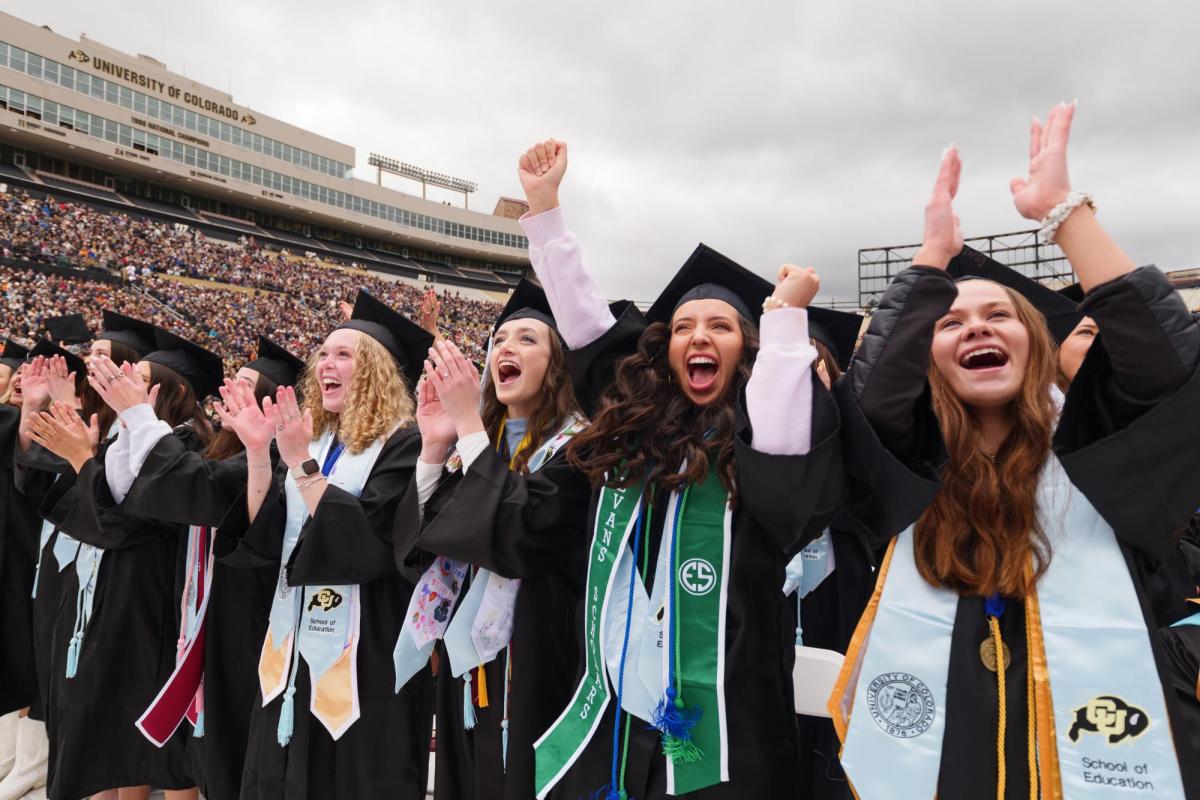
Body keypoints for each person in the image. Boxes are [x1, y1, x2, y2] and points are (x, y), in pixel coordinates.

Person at [829, 104, 1200, 798]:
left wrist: (1065, 215)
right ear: (926, 353)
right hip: (943, 745)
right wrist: (931, 258)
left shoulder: (1096, 445)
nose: (975, 327)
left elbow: (1169, 368)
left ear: (1034, 341)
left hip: (1094, 732)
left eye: (998, 315)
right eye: (949, 321)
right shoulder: (912, 457)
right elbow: (869, 399)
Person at [513, 138, 842, 799]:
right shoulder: (639, 436)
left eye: (720, 326)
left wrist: (784, 326)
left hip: (733, 711)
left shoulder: (765, 443)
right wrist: (546, 211)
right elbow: (586, 328)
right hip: (624, 703)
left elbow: (784, 432)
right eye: (685, 325)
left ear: (746, 349)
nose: (698, 336)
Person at [211, 291, 435, 799]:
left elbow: (373, 545)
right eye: (324, 353)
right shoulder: (313, 440)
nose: (325, 363)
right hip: (290, 642)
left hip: (365, 649)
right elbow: (268, 537)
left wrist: (301, 468)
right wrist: (259, 455)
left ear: (376, 371)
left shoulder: (405, 443)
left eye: (344, 354)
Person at [393, 280, 591, 800]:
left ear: (558, 365)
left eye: (528, 339)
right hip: (465, 663)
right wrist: (436, 446)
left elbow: (522, 532)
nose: (506, 347)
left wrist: (466, 423)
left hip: (538, 653)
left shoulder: (580, 448)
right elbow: (424, 545)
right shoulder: (478, 446)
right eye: (499, 338)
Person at [27, 328, 222, 800]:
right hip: (117, 599)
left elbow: (121, 523)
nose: (124, 385)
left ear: (174, 393)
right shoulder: (126, 437)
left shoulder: (188, 446)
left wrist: (81, 460)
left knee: (163, 754)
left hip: (155, 608)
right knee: (115, 739)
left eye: (141, 379)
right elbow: (72, 508)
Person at [110, 337, 304, 800]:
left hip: (244, 623)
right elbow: (136, 494)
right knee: (203, 752)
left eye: (242, 386)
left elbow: (186, 486)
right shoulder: (218, 451)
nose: (227, 391)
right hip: (203, 617)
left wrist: (137, 416)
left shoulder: (268, 464)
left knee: (230, 749)